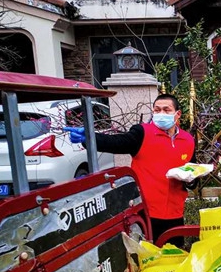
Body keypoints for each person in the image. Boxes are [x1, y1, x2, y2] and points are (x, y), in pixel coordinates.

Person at [64, 94, 195, 246]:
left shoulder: (187, 140)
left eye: (166, 110)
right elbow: (117, 142)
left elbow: (193, 172)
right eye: (157, 110)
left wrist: (191, 180)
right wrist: (90, 138)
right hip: (145, 211)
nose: (161, 114)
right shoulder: (142, 133)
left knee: (174, 255)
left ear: (177, 114)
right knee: (146, 255)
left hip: (175, 212)